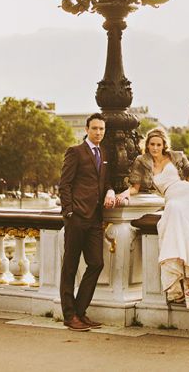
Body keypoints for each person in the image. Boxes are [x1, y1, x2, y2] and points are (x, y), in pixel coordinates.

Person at [117, 127, 189, 309]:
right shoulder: (142, 162)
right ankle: (179, 285)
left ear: (164, 146)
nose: (155, 148)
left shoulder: (177, 157)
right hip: (173, 199)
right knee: (176, 221)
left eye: (158, 145)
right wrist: (125, 194)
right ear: (146, 145)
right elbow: (135, 188)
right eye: (152, 144)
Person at [59, 113, 116, 332]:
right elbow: (64, 184)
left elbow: (105, 181)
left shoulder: (103, 152)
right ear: (86, 129)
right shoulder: (75, 151)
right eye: (95, 129)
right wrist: (69, 213)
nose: (99, 132)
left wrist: (110, 190)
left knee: (96, 263)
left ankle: (79, 311)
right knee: (70, 268)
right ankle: (69, 315)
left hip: (94, 219)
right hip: (77, 218)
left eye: (102, 129)